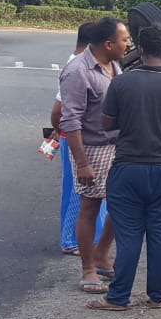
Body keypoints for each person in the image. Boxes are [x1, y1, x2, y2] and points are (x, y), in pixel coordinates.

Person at [88, 24, 161, 311]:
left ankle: (118, 297)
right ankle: (158, 296)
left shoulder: (122, 83)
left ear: (142, 49)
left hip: (128, 168)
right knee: (160, 235)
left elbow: (107, 124)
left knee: (129, 235)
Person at [59, 15, 131, 293]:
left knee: (121, 204)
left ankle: (101, 254)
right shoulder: (77, 71)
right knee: (89, 208)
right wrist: (81, 163)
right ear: (109, 43)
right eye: (125, 39)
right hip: (91, 148)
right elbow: (71, 120)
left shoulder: (114, 66)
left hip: (116, 147)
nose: (128, 44)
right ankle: (88, 269)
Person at [51, 22, 105, 255]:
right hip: (76, 137)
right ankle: (72, 239)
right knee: (79, 190)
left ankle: (74, 237)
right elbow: (58, 109)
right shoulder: (78, 66)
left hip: (70, 135)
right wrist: (60, 129)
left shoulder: (76, 61)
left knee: (73, 188)